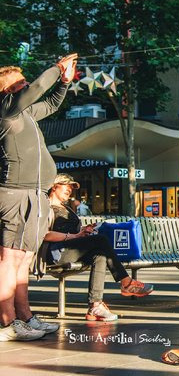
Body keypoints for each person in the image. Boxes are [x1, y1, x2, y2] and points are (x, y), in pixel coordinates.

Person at [0, 54, 78, 342]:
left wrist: (65, 82)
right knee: (9, 260)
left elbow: (53, 102)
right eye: (20, 83)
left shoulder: (27, 115)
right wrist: (57, 69)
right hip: (16, 193)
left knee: (23, 260)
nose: (27, 85)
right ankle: (7, 323)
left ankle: (25, 317)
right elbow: (37, 90)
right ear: (8, 92)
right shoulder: (6, 110)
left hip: (34, 195)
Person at [42, 174, 153, 321]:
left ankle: (95, 306)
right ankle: (126, 282)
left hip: (71, 248)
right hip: (56, 253)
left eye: (72, 187)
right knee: (100, 240)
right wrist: (74, 237)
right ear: (54, 186)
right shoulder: (45, 205)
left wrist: (84, 231)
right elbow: (44, 234)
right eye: (66, 185)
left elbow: (72, 232)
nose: (69, 189)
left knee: (100, 254)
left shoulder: (67, 209)